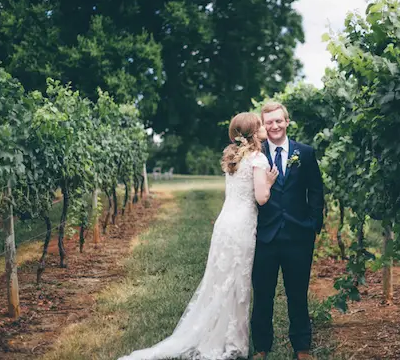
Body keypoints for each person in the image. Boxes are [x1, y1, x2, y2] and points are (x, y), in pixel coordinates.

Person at [117, 112, 278, 360]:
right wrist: (269, 181)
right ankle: (233, 342)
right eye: (260, 125)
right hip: (243, 226)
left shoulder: (234, 156)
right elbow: (261, 198)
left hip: (225, 224)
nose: (265, 128)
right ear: (254, 132)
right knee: (238, 283)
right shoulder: (258, 159)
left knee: (220, 280)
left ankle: (222, 335)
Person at [251, 102, 324, 360]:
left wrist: (314, 223)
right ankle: (261, 347)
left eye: (278, 121)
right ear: (263, 125)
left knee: (297, 294)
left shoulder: (304, 153)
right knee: (263, 295)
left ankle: (302, 348)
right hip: (265, 237)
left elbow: (316, 190)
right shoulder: (255, 154)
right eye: (269, 122)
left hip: (298, 236)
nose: (274, 126)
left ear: (287, 121)